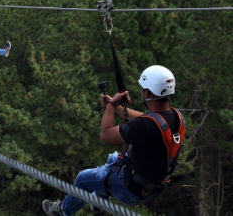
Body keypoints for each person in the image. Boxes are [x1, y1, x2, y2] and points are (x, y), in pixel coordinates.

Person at [42, 65, 186, 216]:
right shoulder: (177, 118)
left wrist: (111, 105)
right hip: (153, 188)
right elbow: (147, 120)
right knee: (113, 157)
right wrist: (115, 106)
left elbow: (105, 134)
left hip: (130, 190)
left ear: (148, 92)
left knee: (83, 178)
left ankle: (62, 211)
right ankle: (98, 203)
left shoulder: (145, 126)